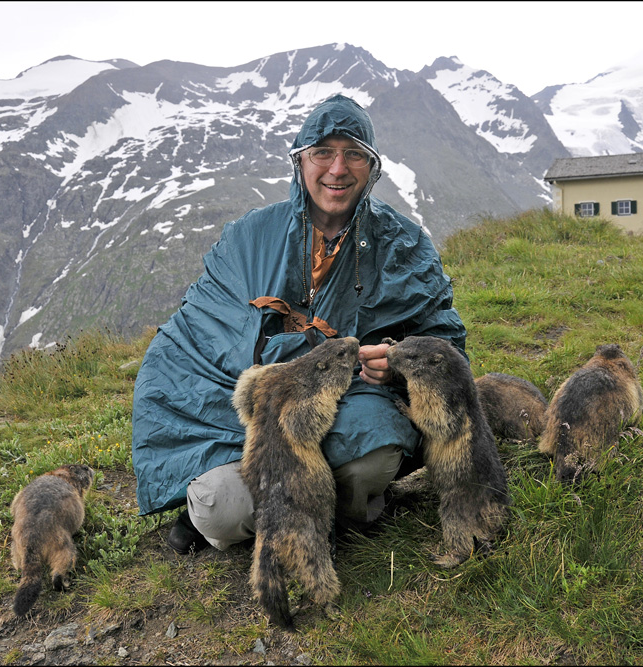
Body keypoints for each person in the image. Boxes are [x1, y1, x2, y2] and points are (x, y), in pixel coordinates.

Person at [131, 94, 467, 553]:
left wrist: (395, 361)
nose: (337, 168)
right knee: (219, 509)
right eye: (322, 152)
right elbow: (197, 334)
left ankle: (319, 504)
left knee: (374, 455)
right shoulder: (248, 236)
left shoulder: (404, 245)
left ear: (372, 167)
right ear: (300, 161)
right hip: (247, 421)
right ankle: (313, 507)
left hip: (346, 410)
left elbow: (443, 344)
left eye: (354, 154)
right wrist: (283, 362)